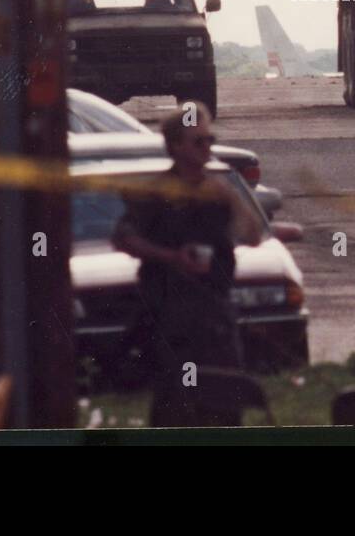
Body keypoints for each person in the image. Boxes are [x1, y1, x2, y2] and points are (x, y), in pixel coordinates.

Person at [111, 101, 264, 426]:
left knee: (224, 402)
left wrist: (232, 198)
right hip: (172, 316)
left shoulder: (219, 191)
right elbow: (124, 238)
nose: (207, 147)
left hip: (216, 315)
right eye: (199, 141)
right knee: (175, 406)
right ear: (176, 146)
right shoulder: (157, 192)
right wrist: (171, 257)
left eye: (210, 139)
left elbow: (253, 237)